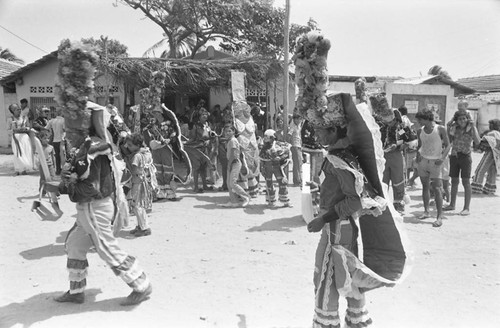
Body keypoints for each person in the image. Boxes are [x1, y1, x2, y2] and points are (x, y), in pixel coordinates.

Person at [304, 93, 408, 328]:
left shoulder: (337, 159)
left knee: (326, 279)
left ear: (333, 130)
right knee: (347, 276)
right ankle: (357, 321)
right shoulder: (344, 155)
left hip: (336, 228)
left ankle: (328, 324)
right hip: (345, 228)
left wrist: (324, 218)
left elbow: (354, 200)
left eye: (321, 129)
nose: (316, 134)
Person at [44, 101, 152, 306]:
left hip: (95, 206)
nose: (66, 130)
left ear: (83, 125)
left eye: (70, 125)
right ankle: (77, 291)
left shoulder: (92, 148)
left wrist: (62, 188)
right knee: (74, 244)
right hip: (89, 208)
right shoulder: (87, 146)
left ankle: (141, 284)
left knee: (106, 248)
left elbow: (90, 188)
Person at [146, 105, 191, 200]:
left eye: (157, 112)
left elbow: (173, 135)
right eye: (153, 113)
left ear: (161, 113)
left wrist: (168, 140)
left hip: (166, 148)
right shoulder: (152, 124)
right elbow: (148, 134)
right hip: (155, 148)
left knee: (167, 168)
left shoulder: (168, 123)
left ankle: (170, 191)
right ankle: (160, 191)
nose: (155, 114)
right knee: (157, 168)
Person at [415, 109, 451, 227]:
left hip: (436, 162)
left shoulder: (440, 129)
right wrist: (418, 155)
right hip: (423, 161)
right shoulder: (420, 131)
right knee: (425, 187)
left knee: (437, 188)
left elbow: (448, 145)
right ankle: (426, 211)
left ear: (426, 119)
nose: (418, 122)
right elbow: (420, 145)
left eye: (420, 119)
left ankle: (439, 216)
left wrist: (442, 158)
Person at [442, 110, 480, 215]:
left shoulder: (471, 129)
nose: (462, 121)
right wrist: (448, 127)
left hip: (465, 157)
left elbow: (477, 142)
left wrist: (474, 127)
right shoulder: (454, 129)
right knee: (454, 182)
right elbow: (449, 141)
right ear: (456, 120)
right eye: (460, 119)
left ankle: (466, 208)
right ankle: (452, 205)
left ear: (467, 119)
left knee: (466, 182)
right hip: (454, 156)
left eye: (464, 118)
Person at [123, 133, 154, 237]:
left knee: (137, 205)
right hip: (142, 181)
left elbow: (135, 169)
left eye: (130, 145)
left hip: (137, 182)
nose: (128, 147)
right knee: (139, 205)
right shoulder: (146, 152)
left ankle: (144, 228)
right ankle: (141, 225)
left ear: (137, 145)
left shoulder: (136, 156)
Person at [186, 107, 217, 193]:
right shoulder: (195, 126)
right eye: (202, 114)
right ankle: (196, 187)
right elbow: (192, 137)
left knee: (204, 167)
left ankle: (204, 185)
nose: (204, 116)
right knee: (196, 167)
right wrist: (186, 144)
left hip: (206, 149)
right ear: (199, 116)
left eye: (206, 114)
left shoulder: (208, 125)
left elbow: (211, 135)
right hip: (197, 149)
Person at [259, 129, 292, 207]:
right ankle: (271, 201)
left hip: (277, 167)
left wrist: (280, 158)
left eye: (268, 137)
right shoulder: (264, 148)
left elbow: (287, 150)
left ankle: (285, 200)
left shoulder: (279, 145)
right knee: (269, 183)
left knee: (282, 182)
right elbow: (262, 159)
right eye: (265, 137)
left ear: (273, 137)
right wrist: (262, 168)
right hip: (268, 167)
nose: (266, 138)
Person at [220, 125, 250, 207]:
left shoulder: (233, 141)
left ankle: (246, 196)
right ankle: (234, 201)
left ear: (233, 132)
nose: (227, 133)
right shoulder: (230, 140)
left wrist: (229, 165)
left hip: (234, 163)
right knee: (229, 184)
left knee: (232, 183)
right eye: (226, 131)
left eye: (229, 131)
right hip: (232, 162)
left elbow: (233, 154)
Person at [471, 119, 500, 195]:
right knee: (492, 171)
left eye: (490, 125)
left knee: (480, 170)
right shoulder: (498, 134)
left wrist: (478, 146)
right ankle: (489, 189)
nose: (489, 126)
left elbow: (486, 144)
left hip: (490, 153)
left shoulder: (492, 133)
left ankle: (476, 188)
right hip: (497, 156)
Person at [7, 103, 34, 175]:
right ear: (12, 111)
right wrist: (14, 130)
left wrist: (25, 128)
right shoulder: (10, 119)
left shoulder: (25, 118)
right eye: (17, 109)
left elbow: (29, 127)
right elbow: (8, 130)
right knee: (17, 153)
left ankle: (24, 169)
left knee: (25, 152)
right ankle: (18, 169)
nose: (19, 110)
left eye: (19, 109)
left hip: (24, 137)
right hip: (16, 138)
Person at [46, 107, 66, 175]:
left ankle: (58, 170)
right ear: (61, 112)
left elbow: (46, 128)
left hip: (55, 140)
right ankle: (64, 170)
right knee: (63, 155)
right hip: (62, 140)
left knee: (57, 156)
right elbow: (65, 129)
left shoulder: (52, 121)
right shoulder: (63, 120)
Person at [288, 113, 303, 186]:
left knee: (299, 163)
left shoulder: (298, 126)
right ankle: (297, 180)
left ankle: (299, 179)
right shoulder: (293, 126)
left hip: (299, 145)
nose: (300, 120)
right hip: (295, 146)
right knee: (297, 164)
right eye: (299, 119)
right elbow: (289, 135)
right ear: (295, 119)